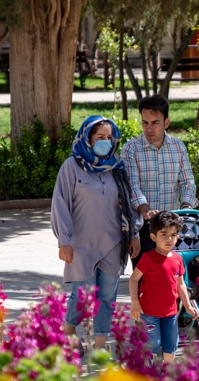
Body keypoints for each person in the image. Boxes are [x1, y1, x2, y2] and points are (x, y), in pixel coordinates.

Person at [51, 115, 140, 351]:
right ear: (87, 139)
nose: (106, 142)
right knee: (82, 296)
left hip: (113, 242)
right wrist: (64, 240)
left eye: (109, 138)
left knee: (107, 297)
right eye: (100, 137)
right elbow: (60, 204)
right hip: (81, 244)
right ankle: (68, 329)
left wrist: (134, 234)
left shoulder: (117, 166)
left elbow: (129, 203)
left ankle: (100, 345)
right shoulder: (71, 166)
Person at [121, 95, 198, 268]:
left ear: (166, 122)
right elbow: (131, 185)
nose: (149, 128)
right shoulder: (130, 148)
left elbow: (187, 182)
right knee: (147, 283)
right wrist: (146, 209)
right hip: (145, 228)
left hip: (173, 227)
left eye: (155, 122)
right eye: (145, 122)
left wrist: (186, 207)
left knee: (174, 282)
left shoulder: (178, 147)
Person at [129, 211, 199, 362]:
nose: (169, 239)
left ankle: (168, 373)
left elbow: (181, 285)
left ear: (178, 237)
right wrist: (135, 303)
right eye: (164, 234)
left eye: (173, 235)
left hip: (170, 313)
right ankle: (148, 371)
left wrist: (187, 306)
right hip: (148, 313)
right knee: (152, 343)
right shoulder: (148, 258)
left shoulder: (178, 259)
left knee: (171, 344)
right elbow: (134, 279)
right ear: (153, 237)